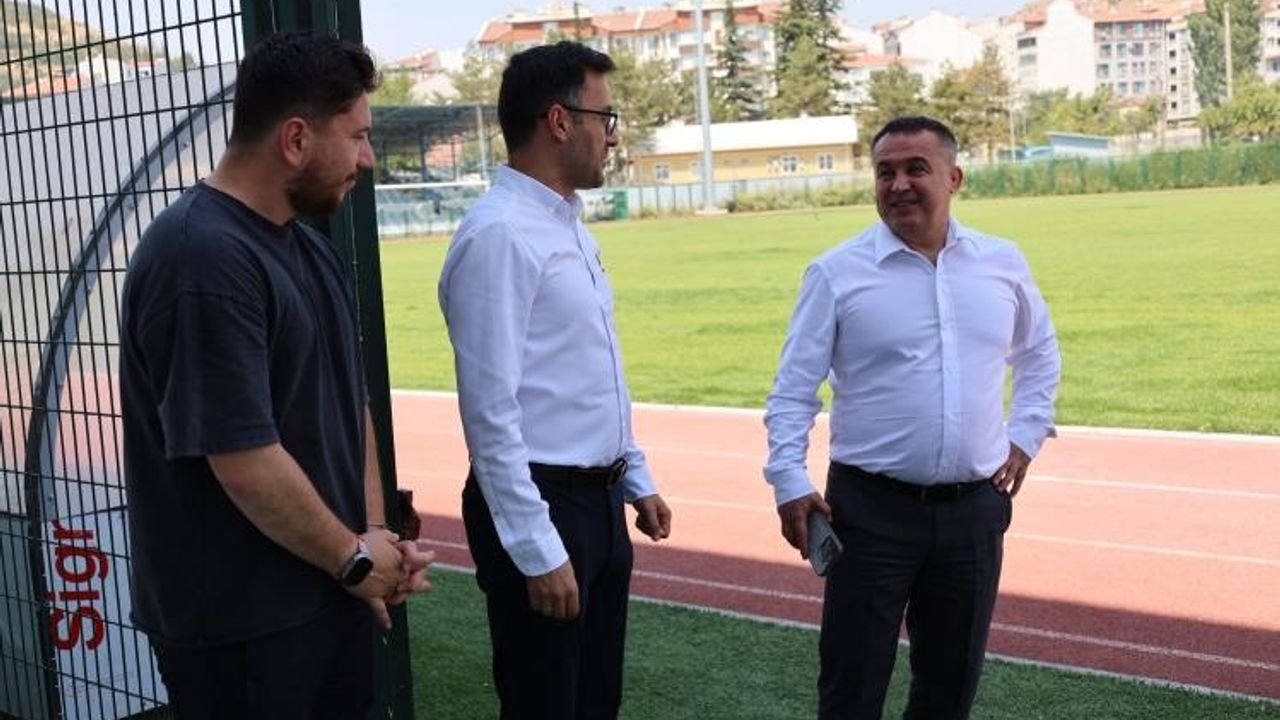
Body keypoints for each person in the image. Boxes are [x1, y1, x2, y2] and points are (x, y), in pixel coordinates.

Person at [119, 30, 431, 719]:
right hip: (241, 630)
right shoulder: (201, 256)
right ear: (295, 139)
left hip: (329, 591)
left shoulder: (309, 250)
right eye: (357, 136)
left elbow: (350, 406)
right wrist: (354, 558)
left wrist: (373, 538)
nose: (368, 158)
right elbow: (244, 459)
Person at [763, 116, 1061, 720]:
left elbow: (1039, 354)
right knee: (851, 687)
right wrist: (789, 479)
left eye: (915, 169)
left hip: (974, 512)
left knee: (949, 690)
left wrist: (1026, 434)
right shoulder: (836, 272)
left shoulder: (1001, 262)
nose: (898, 184)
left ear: (954, 178)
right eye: (885, 172)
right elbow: (793, 390)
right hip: (868, 513)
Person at [438, 41, 673, 720]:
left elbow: (588, 371)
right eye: (606, 117)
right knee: (546, 704)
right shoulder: (499, 236)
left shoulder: (567, 227)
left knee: (594, 701)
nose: (613, 136)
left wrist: (634, 474)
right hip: (543, 505)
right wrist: (535, 548)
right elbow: (490, 412)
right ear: (560, 121)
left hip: (597, 503)